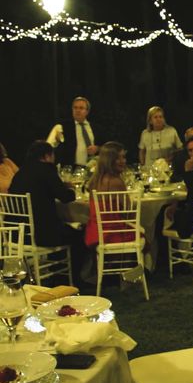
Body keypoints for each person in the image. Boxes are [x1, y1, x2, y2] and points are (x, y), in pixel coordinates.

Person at [8, 140, 84, 283]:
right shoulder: (47, 170)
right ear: (47, 156)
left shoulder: (20, 173)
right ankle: (72, 279)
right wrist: (72, 189)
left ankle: (57, 273)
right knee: (79, 235)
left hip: (19, 235)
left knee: (60, 228)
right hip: (42, 235)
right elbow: (65, 197)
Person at [84, 141, 138, 247]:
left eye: (123, 157)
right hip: (111, 233)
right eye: (118, 158)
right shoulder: (116, 181)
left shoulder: (94, 180)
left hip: (94, 232)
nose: (123, 161)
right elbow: (128, 211)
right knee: (146, 235)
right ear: (109, 160)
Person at [47, 96, 100, 167]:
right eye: (75, 108)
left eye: (81, 108)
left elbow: (106, 146)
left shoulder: (95, 128)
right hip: (70, 170)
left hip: (92, 169)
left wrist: (98, 148)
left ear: (87, 111)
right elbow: (49, 146)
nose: (78, 110)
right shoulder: (62, 127)